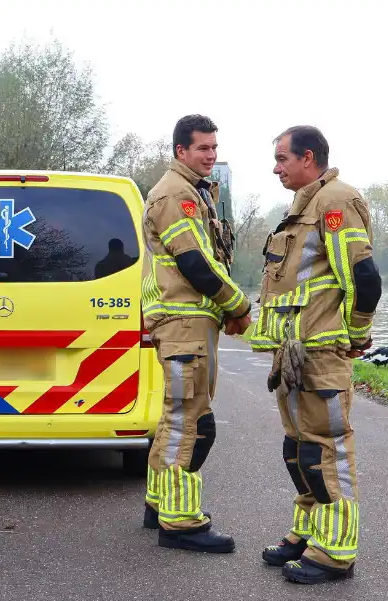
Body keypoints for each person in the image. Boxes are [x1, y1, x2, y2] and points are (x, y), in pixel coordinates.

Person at [246, 125, 382, 584]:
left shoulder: (337, 201)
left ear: (308, 158)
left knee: (328, 451)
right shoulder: (302, 205)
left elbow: (363, 276)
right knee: (299, 450)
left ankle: (335, 552)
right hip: (292, 354)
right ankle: (307, 532)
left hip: (322, 352)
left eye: (282, 158)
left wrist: (357, 333)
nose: (275, 167)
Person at [140, 114, 253, 553]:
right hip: (184, 321)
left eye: (214, 148)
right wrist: (238, 306)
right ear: (180, 151)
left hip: (190, 321)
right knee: (192, 422)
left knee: (177, 417)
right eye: (203, 148)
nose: (211, 155)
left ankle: (158, 504)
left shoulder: (192, 191)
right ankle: (180, 522)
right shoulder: (175, 194)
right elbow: (195, 263)